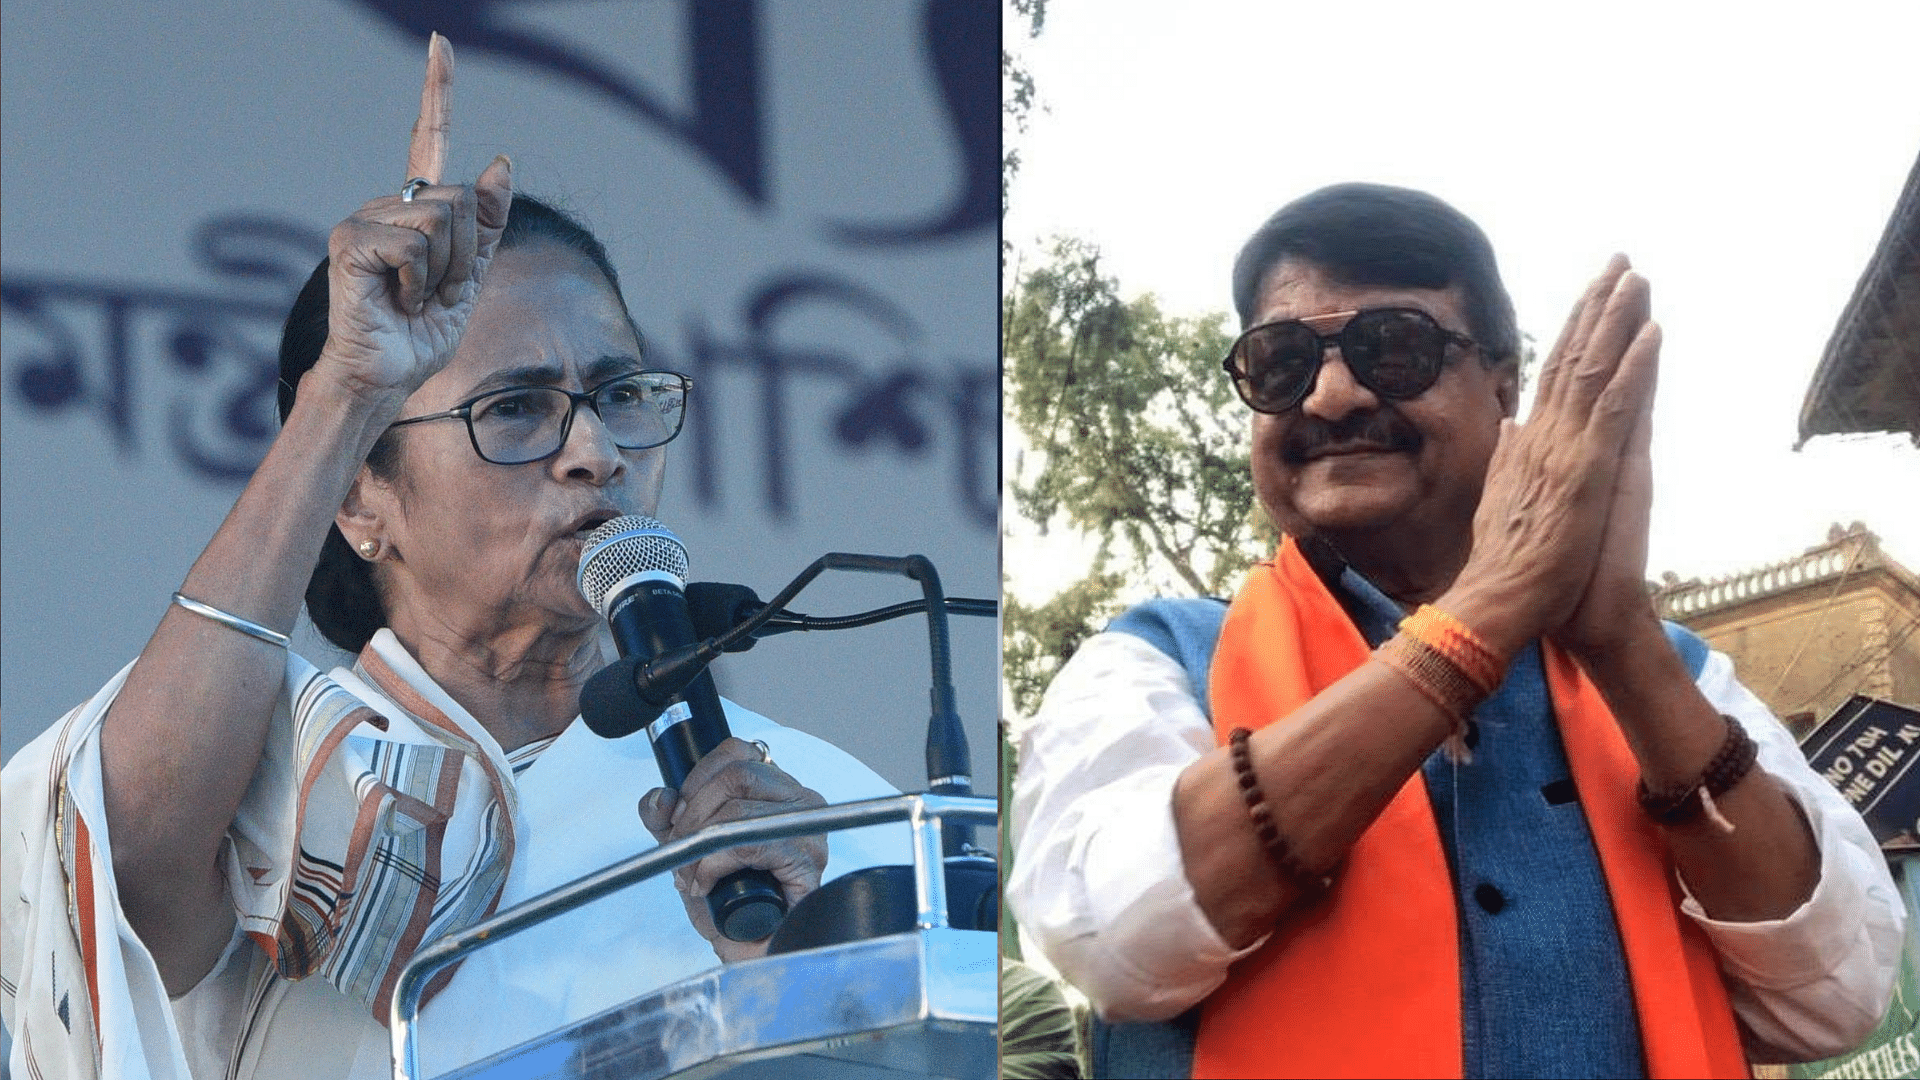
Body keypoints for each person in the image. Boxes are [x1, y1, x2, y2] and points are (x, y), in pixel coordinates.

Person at [1, 36, 904, 1079]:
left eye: (619, 395)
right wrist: (345, 389)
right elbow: (121, 883)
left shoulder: (821, 810)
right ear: (359, 497)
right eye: (516, 408)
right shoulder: (271, 773)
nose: (595, 451)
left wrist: (783, 959)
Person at [1006, 182, 1905, 1079]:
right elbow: (1110, 935)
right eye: (1281, 361)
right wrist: (1484, 613)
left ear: (1505, 385)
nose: (1329, 396)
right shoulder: (1154, 662)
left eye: (1393, 348)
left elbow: (1837, 993)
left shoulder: (1676, 680)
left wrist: (1625, 644)